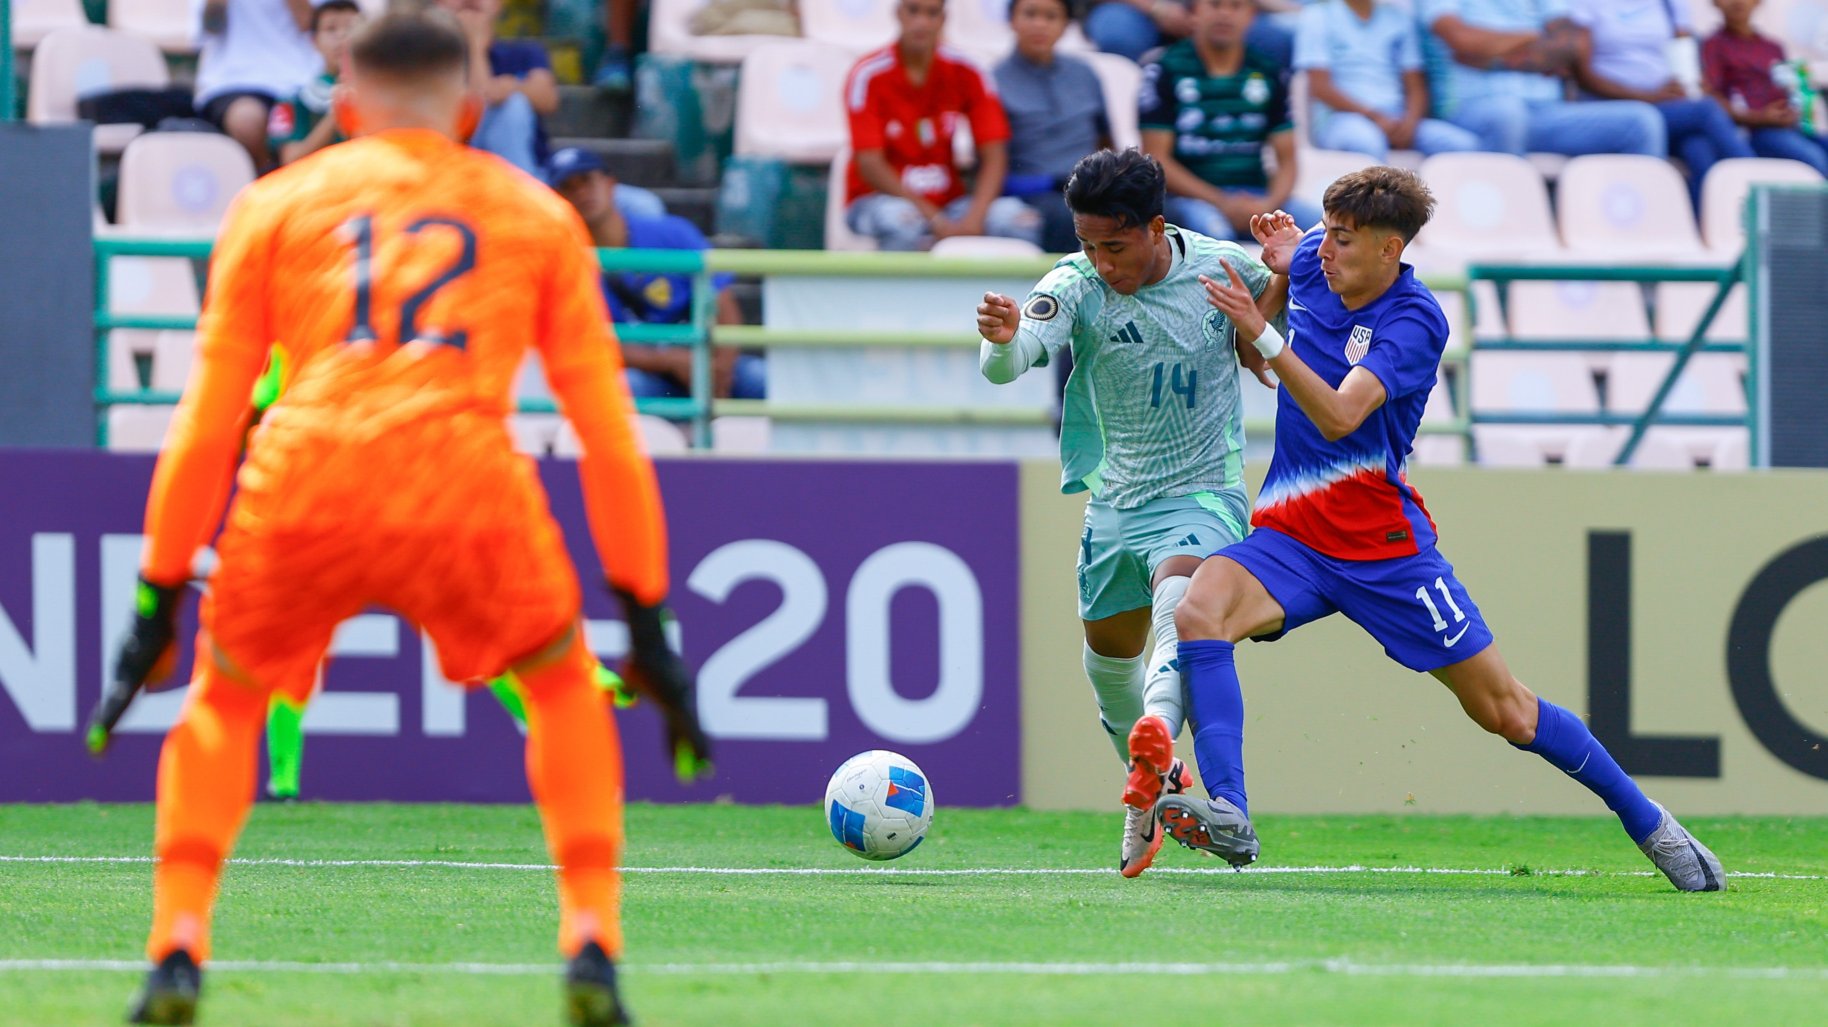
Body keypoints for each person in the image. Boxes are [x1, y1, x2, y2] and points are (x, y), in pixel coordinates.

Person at [104, 12, 710, 1025]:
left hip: (303, 478)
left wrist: (155, 596)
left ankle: (176, 945)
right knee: (562, 685)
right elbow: (606, 433)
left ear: (342, 108)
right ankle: (592, 939)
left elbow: (206, 421)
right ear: (471, 110)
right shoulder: (532, 215)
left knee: (226, 697)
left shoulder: (274, 204)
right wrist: (646, 618)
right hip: (462, 482)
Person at [1133, 167, 1725, 894]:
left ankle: (1650, 822)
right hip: (1291, 535)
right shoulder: (1317, 262)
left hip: (1385, 553)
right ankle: (1230, 807)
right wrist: (1279, 282)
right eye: (1325, 232)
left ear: (1390, 249)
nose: (1327, 249)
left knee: (1504, 709)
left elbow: (1341, 415)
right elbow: (1257, 360)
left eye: (1343, 240)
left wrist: (1262, 324)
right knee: (1199, 607)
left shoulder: (1416, 320)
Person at [975, 147, 1277, 878]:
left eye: (1114, 245)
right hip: (1114, 502)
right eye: (1088, 245)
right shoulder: (1075, 282)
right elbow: (1009, 364)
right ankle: (1152, 789)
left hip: (1204, 491)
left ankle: (1157, 746)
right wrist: (1003, 339)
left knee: (1183, 600)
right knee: (1109, 666)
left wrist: (1283, 286)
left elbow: (1288, 303)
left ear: (1155, 228)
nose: (1101, 261)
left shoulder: (1220, 267)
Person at [548, 146, 764, 401]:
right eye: (568, 187)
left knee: (764, 379)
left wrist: (721, 370)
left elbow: (722, 301)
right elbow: (588, 342)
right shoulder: (562, 261)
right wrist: (669, 361)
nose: (581, 193)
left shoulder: (673, 232)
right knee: (625, 387)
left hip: (705, 361)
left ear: (610, 183)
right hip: (644, 374)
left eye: (586, 181)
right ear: (557, 200)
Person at [843, 0, 1043, 251]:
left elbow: (994, 153)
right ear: (898, 13)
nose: (922, 22)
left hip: (949, 203)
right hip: (875, 201)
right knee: (902, 221)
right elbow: (869, 164)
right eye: (913, 10)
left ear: (944, 18)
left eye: (932, 13)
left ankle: (1005, 293)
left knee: (1020, 220)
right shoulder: (868, 74)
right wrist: (933, 217)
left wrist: (975, 217)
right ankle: (896, 292)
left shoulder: (969, 71)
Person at [1140, 0, 1322, 243]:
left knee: (1325, 231)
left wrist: (1269, 204)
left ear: (1252, 16)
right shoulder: (1163, 70)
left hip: (1258, 196)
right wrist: (1221, 202)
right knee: (1217, 242)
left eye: (1236, 6)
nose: (1225, 14)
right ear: (1194, 12)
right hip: (1191, 201)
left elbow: (1288, 158)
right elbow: (1157, 159)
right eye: (1215, 5)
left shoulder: (1269, 71)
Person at [1420, 0, 1667, 159]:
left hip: (1546, 114)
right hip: (1470, 110)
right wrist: (1535, 39)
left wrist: (1494, 57)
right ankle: (1508, 231)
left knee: (1642, 121)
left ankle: (1638, 237)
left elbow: (1574, 44)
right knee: (1508, 114)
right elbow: (1461, 40)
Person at [1569, 0, 1753, 206]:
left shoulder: (1667, 4)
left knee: (1698, 147)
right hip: (1614, 110)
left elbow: (1683, 55)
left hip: (1663, 107)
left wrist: (1691, 83)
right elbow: (1583, 76)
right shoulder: (1586, 4)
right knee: (1706, 110)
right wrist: (1649, 96)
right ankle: (1758, 189)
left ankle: (1704, 230)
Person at [1292, 0, 1480, 161]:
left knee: (1464, 146)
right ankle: (1374, 205)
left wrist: (1410, 122)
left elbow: (1415, 84)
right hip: (1341, 118)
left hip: (1396, 118)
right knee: (1366, 143)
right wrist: (1375, 117)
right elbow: (1320, 87)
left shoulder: (1398, 19)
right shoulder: (1317, 16)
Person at [994, 0, 1113, 253]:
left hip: (1090, 185)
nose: (1040, 24)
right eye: (1030, 14)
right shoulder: (995, 80)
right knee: (1066, 217)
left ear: (1065, 25)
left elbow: (1105, 139)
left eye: (1051, 16)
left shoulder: (1085, 74)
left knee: (1160, 211)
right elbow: (992, 158)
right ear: (1012, 20)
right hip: (1033, 191)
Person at [436, 0, 561, 178]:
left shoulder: (525, 52)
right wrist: (474, 46)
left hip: (532, 174)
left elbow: (548, 99)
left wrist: (512, 88)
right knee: (511, 105)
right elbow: (480, 100)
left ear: (498, 4)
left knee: (513, 105)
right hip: (457, 174)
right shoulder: (428, 63)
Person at [194, 0, 323, 171]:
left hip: (301, 79)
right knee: (247, 120)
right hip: (232, 81)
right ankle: (268, 183)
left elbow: (310, 23)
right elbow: (211, 27)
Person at [1703, 0, 1828, 175]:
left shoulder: (1772, 47)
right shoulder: (1713, 45)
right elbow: (1712, 99)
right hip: (1753, 132)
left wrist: (1791, 111)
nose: (1737, 2)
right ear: (1715, 3)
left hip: (1787, 128)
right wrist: (1758, 118)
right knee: (1814, 159)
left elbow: (1787, 90)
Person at [268, 0, 364, 167]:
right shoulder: (294, 99)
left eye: (351, 28)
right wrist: (337, 112)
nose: (342, 36)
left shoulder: (384, 94)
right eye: (330, 29)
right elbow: (291, 161)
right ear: (314, 41)